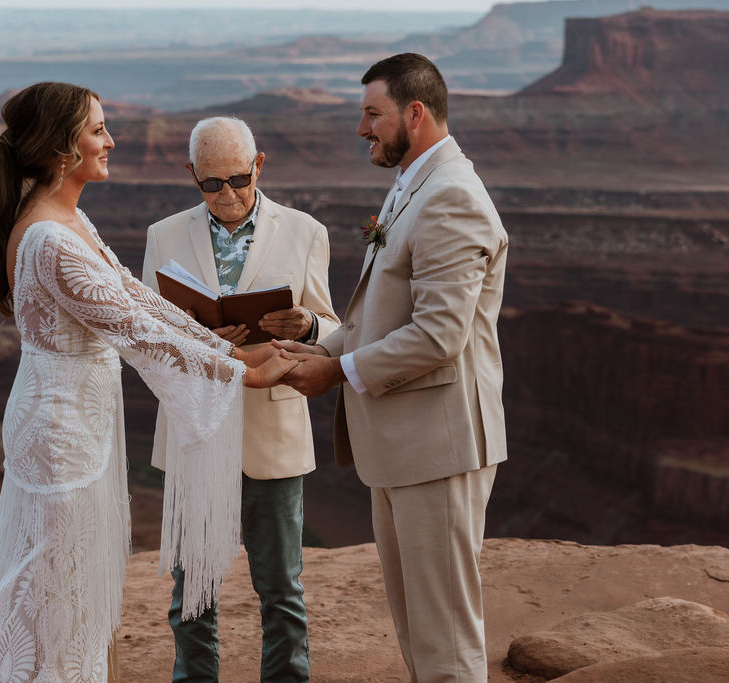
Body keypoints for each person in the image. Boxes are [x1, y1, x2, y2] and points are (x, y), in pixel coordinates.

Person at [0, 82, 296, 683]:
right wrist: (247, 376)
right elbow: (133, 329)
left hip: (75, 420)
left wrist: (216, 344)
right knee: (58, 586)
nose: (111, 140)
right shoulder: (52, 237)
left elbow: (134, 296)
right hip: (61, 433)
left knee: (68, 582)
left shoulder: (68, 217)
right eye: (97, 129)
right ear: (60, 147)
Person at [275, 53, 509, 682]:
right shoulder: (414, 184)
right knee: (417, 629)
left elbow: (438, 335)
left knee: (446, 640)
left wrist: (338, 373)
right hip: (406, 444)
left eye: (371, 114)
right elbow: (385, 312)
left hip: (439, 443)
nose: (362, 129)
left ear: (416, 112)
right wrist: (321, 349)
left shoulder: (452, 196)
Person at [141, 116, 340, 682]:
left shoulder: (305, 232)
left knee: (281, 588)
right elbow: (150, 337)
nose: (227, 194)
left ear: (259, 166)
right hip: (195, 431)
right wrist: (198, 340)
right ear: (191, 176)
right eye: (211, 184)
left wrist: (307, 327)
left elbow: (332, 326)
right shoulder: (164, 235)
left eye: (238, 179)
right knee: (193, 594)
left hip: (271, 433)